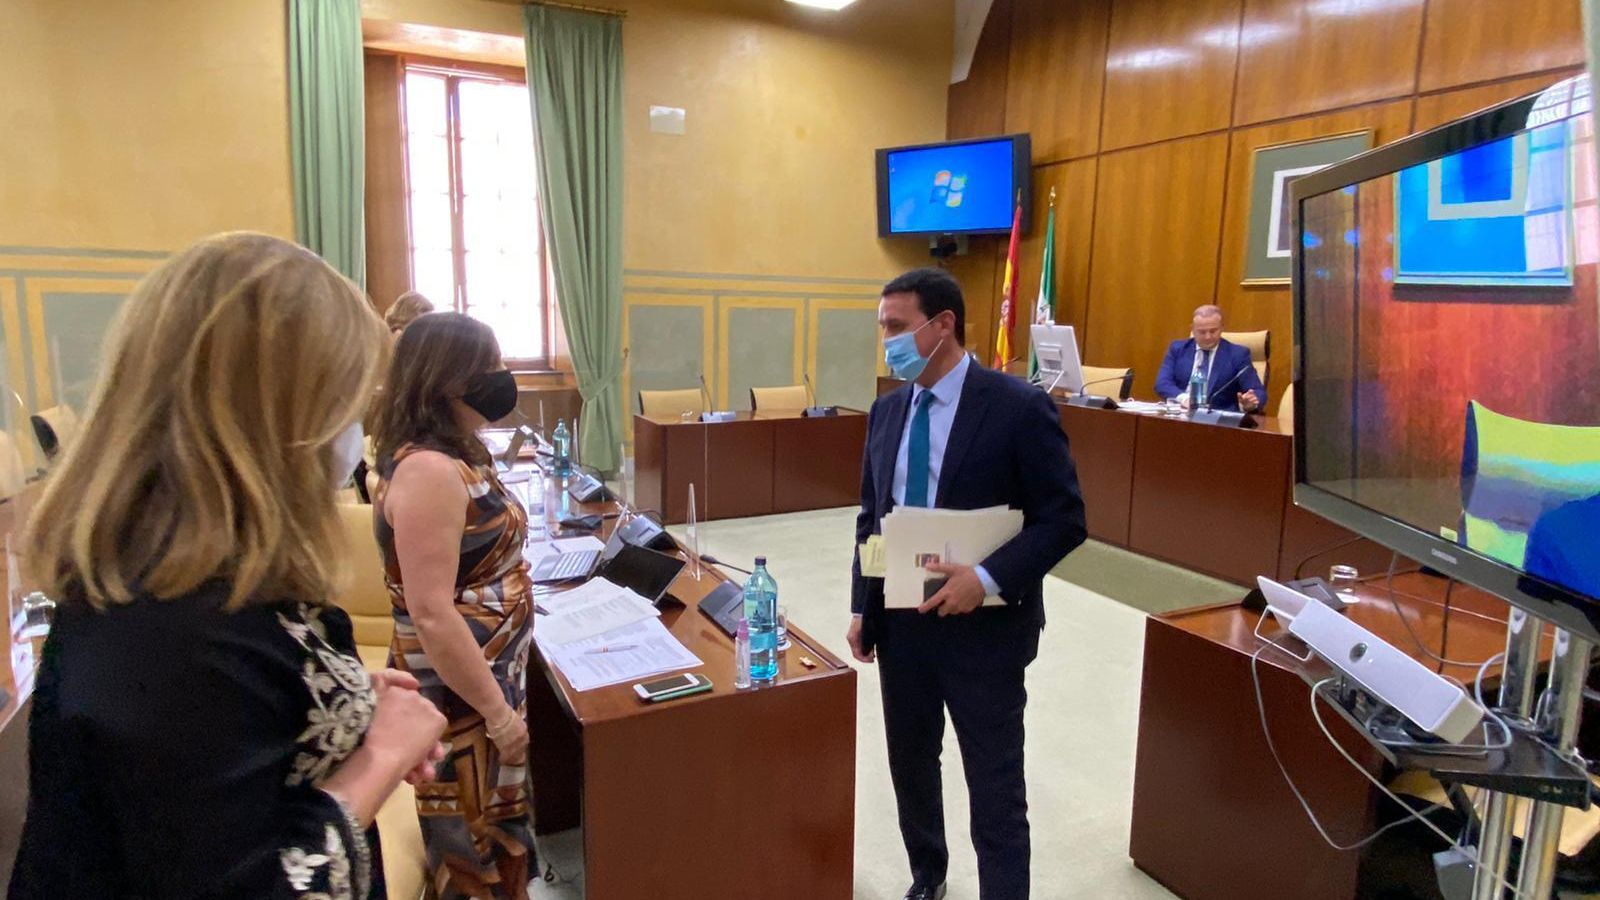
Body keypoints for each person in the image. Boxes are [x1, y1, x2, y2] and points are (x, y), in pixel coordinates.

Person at [9, 232, 448, 899]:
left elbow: (244, 725)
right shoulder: (162, 632)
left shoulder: (205, 563)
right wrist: (380, 759)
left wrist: (351, 715)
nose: (355, 432)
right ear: (269, 419)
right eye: (343, 405)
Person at [848, 267, 1087, 900]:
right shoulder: (887, 410)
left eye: (898, 327)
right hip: (902, 623)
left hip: (986, 632)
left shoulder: (1017, 406)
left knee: (995, 783)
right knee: (911, 766)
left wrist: (985, 577)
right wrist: (860, 606)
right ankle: (928, 873)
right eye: (883, 329)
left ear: (943, 324)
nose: (888, 342)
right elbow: (872, 518)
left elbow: (1064, 520)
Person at [370, 312, 536, 899]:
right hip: (463, 700)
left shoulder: (456, 452)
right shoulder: (430, 471)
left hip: (485, 679)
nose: (501, 377)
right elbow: (432, 613)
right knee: (472, 842)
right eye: (487, 368)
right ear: (445, 380)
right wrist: (497, 714)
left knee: (495, 824)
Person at [1152, 304, 1265, 413]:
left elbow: (1258, 392)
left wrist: (1252, 403)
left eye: (1213, 331)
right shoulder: (1178, 349)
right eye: (1202, 332)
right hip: (1180, 414)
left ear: (1222, 328)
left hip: (1217, 421)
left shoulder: (1238, 354)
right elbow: (1162, 383)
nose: (1208, 337)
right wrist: (1185, 399)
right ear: (1193, 329)